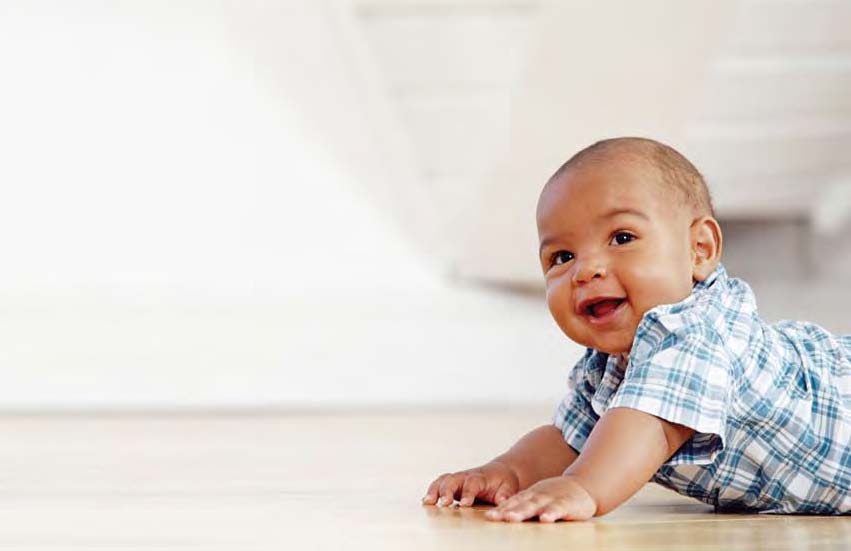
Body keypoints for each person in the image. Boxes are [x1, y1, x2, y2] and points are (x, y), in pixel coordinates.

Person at [421, 137, 851, 522]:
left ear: (698, 250)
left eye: (622, 238)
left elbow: (651, 424)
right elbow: (570, 439)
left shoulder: (695, 332)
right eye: (561, 256)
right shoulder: (609, 365)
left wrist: (584, 486)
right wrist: (506, 472)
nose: (585, 270)